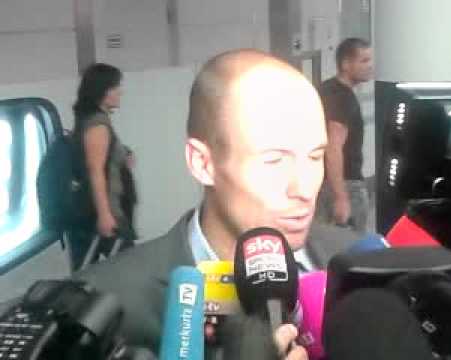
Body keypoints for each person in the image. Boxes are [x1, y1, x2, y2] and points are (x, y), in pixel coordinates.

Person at [75, 50, 358, 357]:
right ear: (202, 163)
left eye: (315, 157)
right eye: (274, 160)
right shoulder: (104, 303)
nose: (304, 188)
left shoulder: (357, 265)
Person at [69, 63, 137, 271]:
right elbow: (95, 171)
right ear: (102, 91)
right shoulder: (97, 124)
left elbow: (101, 160)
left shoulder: (92, 121)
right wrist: (104, 214)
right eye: (115, 87)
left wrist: (123, 155)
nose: (120, 92)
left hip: (99, 213)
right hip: (105, 215)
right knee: (126, 270)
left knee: (101, 270)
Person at [316, 38, 373, 235]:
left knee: (327, 246)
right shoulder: (343, 98)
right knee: (354, 249)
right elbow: (333, 147)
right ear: (346, 64)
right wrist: (341, 197)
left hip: (325, 183)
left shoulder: (327, 88)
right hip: (346, 184)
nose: (370, 66)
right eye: (364, 61)